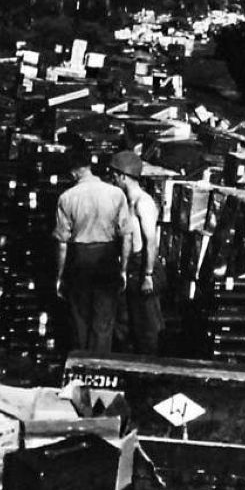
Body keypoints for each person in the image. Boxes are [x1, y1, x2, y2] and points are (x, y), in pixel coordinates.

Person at [53, 148, 133, 353]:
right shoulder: (116, 194)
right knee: (104, 322)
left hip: (79, 260)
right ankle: (100, 368)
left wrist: (60, 276)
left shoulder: (66, 198)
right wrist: (123, 269)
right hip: (107, 259)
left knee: (80, 320)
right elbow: (126, 236)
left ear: (73, 172)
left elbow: (62, 242)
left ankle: (80, 368)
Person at [109, 151, 163, 355]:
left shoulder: (144, 202)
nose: (113, 180)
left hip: (142, 266)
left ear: (123, 176)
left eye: (115, 175)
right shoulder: (124, 202)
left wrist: (148, 275)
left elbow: (151, 242)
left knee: (146, 324)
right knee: (125, 322)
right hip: (130, 266)